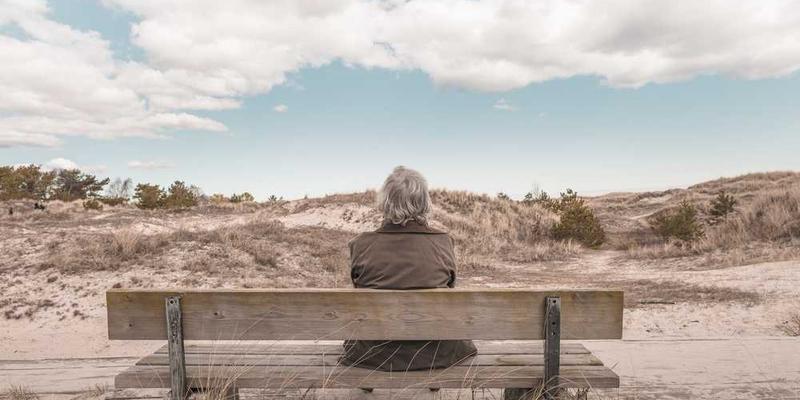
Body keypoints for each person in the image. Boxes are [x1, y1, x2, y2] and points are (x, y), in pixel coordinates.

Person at [339, 166, 477, 373]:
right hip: (436, 351)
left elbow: (359, 289)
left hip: (374, 354)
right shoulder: (443, 242)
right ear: (424, 202)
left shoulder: (361, 244)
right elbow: (449, 288)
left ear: (385, 202)